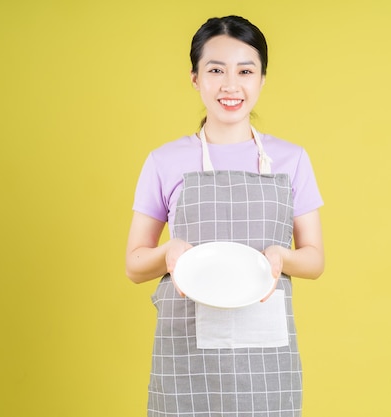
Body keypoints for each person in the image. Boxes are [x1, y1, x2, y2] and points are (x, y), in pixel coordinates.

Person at [125, 15, 324, 417]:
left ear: (262, 79)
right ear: (195, 78)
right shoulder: (164, 161)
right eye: (215, 69)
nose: (230, 85)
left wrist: (280, 257)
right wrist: (168, 253)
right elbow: (134, 264)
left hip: (265, 357)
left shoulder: (292, 160)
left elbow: (315, 259)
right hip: (185, 352)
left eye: (245, 71)